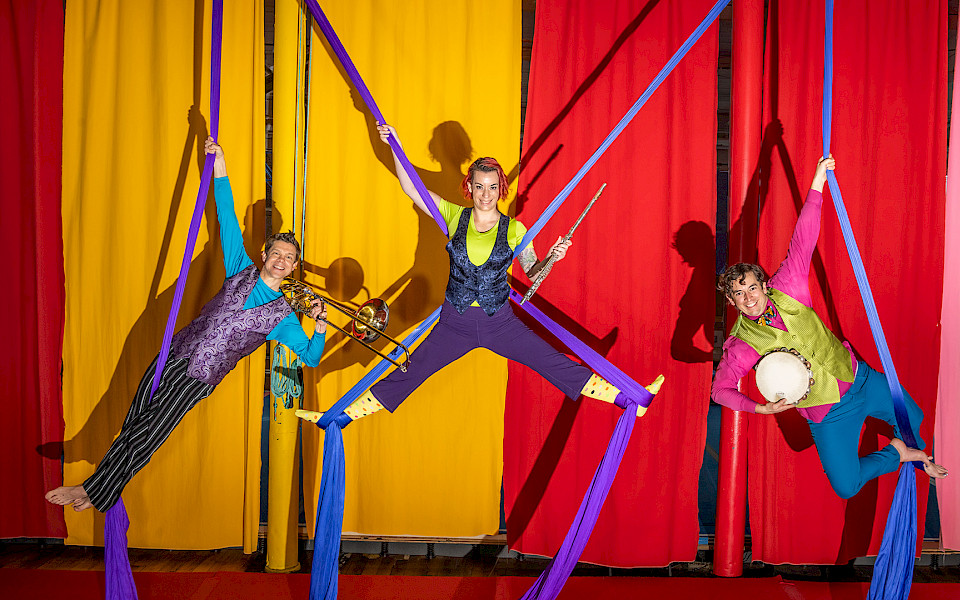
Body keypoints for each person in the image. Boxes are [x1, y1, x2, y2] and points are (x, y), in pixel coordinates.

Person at [297, 124, 660, 425]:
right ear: (468, 187)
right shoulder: (454, 216)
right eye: (478, 186)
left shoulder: (515, 229)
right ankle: (337, 419)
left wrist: (553, 256)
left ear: (500, 188)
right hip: (453, 322)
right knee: (409, 373)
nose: (485, 194)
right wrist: (396, 145)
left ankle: (630, 399)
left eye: (491, 187)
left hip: (500, 323)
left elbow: (534, 273)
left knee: (554, 363)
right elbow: (411, 186)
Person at [46, 137, 328, 512]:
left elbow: (309, 358)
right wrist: (221, 165)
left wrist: (321, 328)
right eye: (275, 252)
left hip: (199, 376)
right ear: (264, 253)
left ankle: (94, 490)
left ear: (294, 267)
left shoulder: (284, 317)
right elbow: (225, 212)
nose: (280, 260)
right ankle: (99, 485)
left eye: (288, 258)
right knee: (135, 420)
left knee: (150, 432)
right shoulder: (239, 266)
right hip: (175, 350)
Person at [712, 155, 947, 499]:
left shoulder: (788, 285)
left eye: (751, 287)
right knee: (846, 486)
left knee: (915, 417)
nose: (748, 298)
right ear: (731, 303)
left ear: (763, 284)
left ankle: (914, 453)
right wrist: (760, 408)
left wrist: (818, 181)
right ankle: (899, 454)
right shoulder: (740, 344)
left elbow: (804, 237)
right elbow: (720, 390)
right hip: (827, 412)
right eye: (738, 294)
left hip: (860, 380)